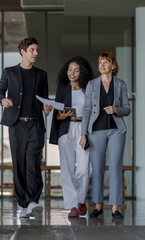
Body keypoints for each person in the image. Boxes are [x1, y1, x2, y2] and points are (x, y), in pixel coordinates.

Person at [0, 37, 52, 218]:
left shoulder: (41, 75)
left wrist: (47, 107)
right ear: (23, 52)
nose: (36, 53)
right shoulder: (9, 72)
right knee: (19, 163)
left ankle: (33, 200)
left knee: (32, 162)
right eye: (33, 50)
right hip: (16, 125)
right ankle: (23, 203)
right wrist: (3, 99)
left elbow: (44, 99)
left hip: (35, 124)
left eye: (36, 50)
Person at [79, 52, 131, 220]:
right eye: (100, 62)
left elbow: (127, 108)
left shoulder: (121, 85)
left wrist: (116, 110)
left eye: (106, 62)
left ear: (113, 66)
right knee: (98, 167)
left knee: (115, 166)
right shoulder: (91, 85)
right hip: (96, 130)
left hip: (117, 129)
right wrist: (83, 133)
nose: (102, 65)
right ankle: (98, 205)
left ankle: (116, 207)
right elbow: (86, 110)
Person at [49, 56, 93, 218]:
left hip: (83, 130)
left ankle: (81, 200)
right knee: (67, 170)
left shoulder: (89, 88)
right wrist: (60, 116)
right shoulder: (62, 88)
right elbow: (57, 112)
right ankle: (73, 205)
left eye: (76, 70)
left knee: (83, 170)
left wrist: (86, 133)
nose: (72, 73)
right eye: (69, 69)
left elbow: (94, 112)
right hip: (65, 130)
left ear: (82, 72)